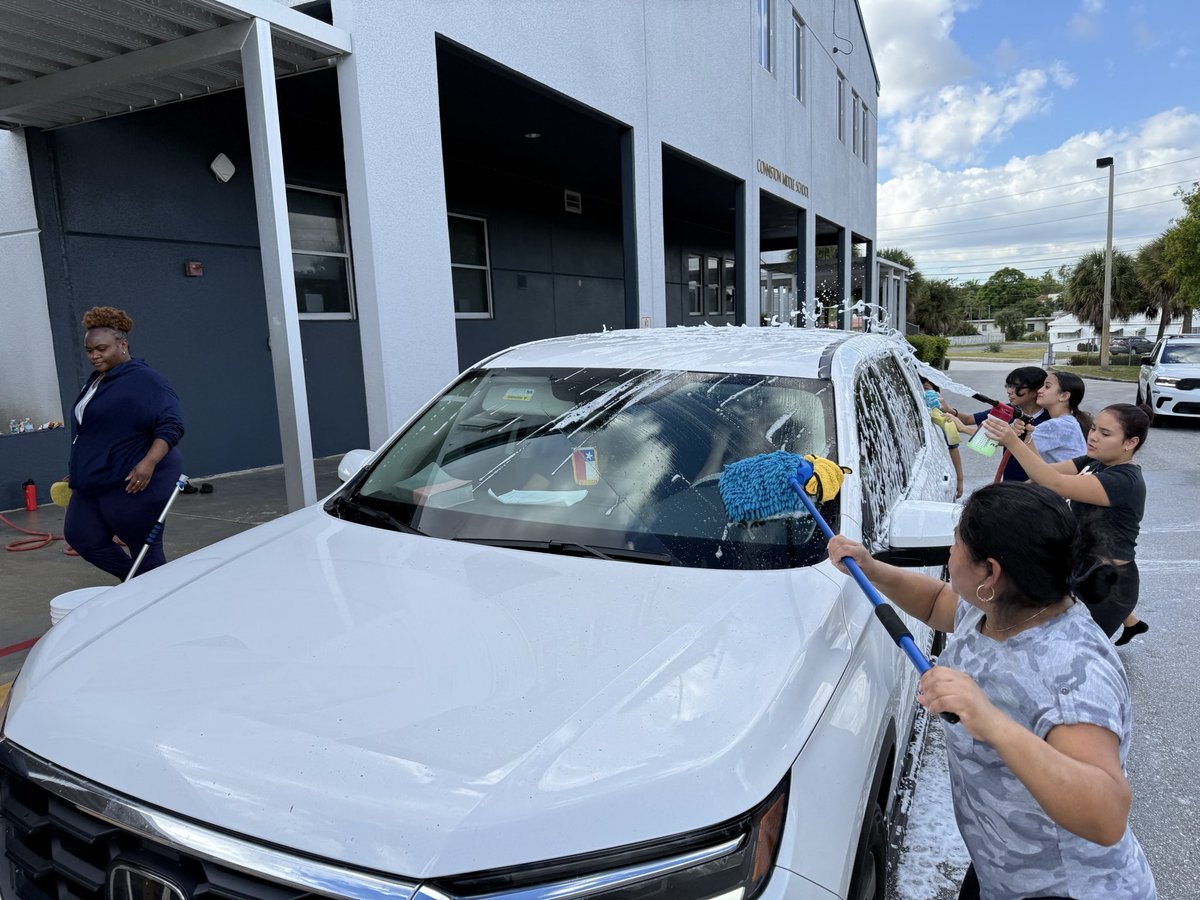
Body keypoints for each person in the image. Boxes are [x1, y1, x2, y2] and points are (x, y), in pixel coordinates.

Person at [828, 482, 1156, 900]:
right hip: (1003, 867)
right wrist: (871, 568)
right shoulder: (999, 606)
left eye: (955, 545)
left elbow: (1106, 816)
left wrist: (991, 721)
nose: (949, 554)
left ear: (991, 572)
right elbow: (937, 604)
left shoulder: (1073, 670)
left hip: (1068, 888)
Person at [983, 403, 1151, 643]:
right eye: (1093, 428)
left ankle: (1129, 624)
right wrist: (1026, 439)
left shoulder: (1125, 481)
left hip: (1107, 587)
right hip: (1078, 571)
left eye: (1105, 434)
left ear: (1130, 442)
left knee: (1075, 654)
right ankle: (1132, 624)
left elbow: (1055, 484)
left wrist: (1012, 442)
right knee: (1047, 644)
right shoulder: (1093, 462)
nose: (1093, 437)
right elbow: (1043, 474)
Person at [64, 306, 185, 580]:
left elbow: (172, 425)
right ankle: (137, 585)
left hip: (132, 481)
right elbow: (92, 431)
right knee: (81, 536)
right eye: (89, 350)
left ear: (122, 344)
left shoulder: (145, 380)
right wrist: (80, 466)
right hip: (94, 480)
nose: (94, 356)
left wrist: (148, 463)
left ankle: (155, 593)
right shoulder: (98, 380)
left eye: (101, 349)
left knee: (145, 550)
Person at [945, 366, 1048, 482]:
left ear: (1036, 391)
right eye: (1009, 386)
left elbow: (1006, 440)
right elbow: (969, 419)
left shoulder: (1050, 421)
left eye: (1017, 387)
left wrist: (964, 429)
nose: (1009, 391)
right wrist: (949, 410)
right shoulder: (1008, 410)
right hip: (1010, 482)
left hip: (1037, 485)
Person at [921, 377, 974, 498]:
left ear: (938, 394)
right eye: (919, 389)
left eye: (926, 389)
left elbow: (953, 449)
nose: (922, 393)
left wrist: (959, 480)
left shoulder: (943, 420)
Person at [1027, 370, 1089, 464]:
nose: (1039, 390)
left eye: (1047, 387)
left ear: (1064, 396)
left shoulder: (1058, 425)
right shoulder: (1069, 422)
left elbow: (1017, 443)